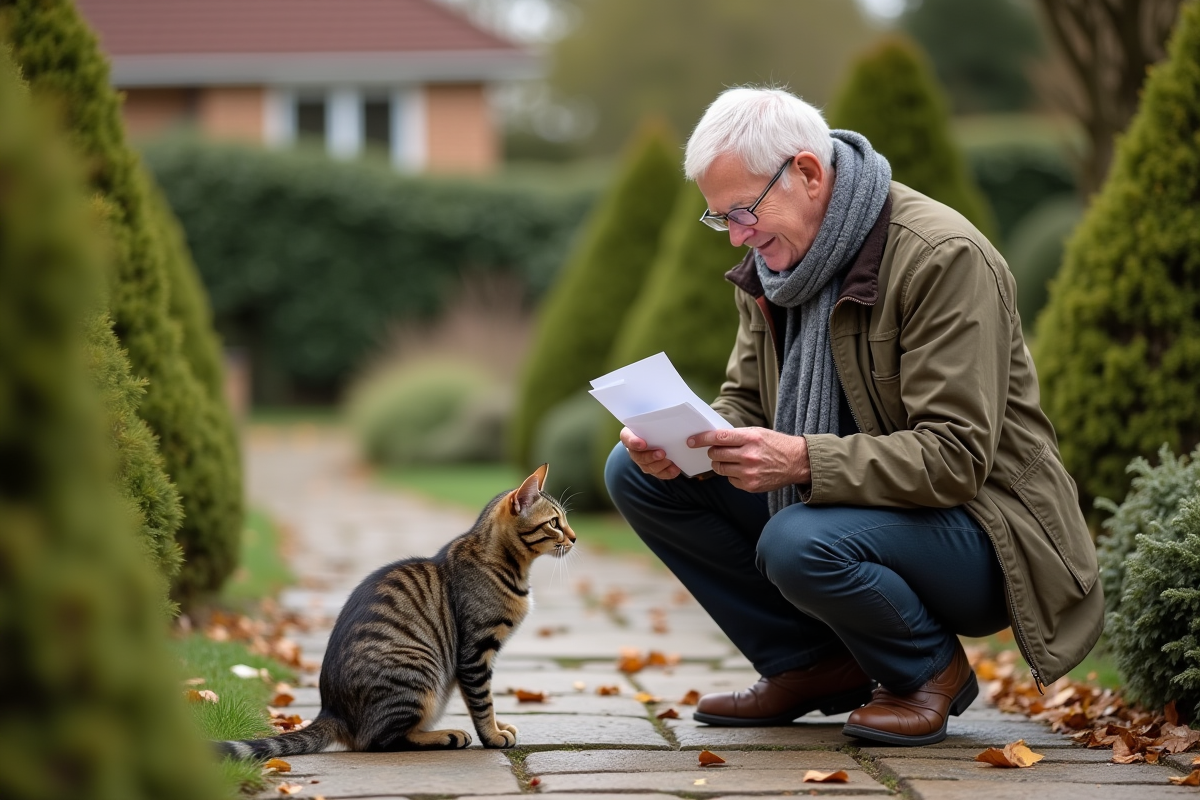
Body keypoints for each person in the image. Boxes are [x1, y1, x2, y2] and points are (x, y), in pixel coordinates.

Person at [604, 87, 1104, 746]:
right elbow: (747, 403)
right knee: (636, 474)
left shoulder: (941, 257)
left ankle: (929, 671)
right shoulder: (774, 270)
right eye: (719, 218)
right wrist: (690, 440)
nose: (736, 236)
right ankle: (813, 664)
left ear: (809, 174)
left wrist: (804, 461)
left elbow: (955, 459)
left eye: (744, 211)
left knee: (798, 541)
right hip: (854, 507)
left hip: (987, 533)